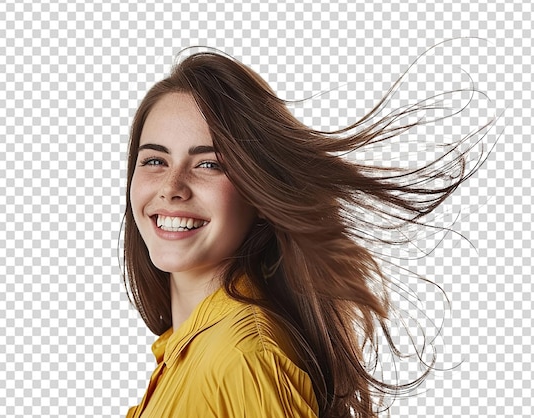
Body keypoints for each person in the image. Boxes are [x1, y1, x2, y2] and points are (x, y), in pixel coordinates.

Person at [123, 48, 495, 418]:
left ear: (258, 189)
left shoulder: (243, 358)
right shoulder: (190, 350)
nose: (172, 187)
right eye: (155, 160)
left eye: (209, 164)